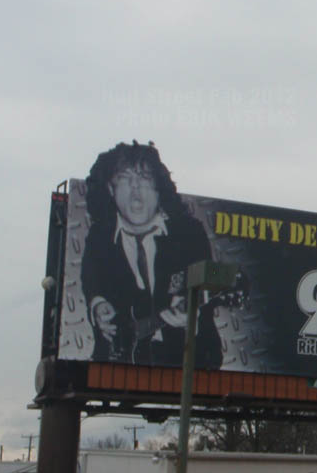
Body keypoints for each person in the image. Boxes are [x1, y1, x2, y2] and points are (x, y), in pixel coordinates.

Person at [81, 141, 223, 369]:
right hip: (119, 364)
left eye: (145, 179)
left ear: (159, 187)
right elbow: (92, 279)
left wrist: (193, 317)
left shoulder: (190, 232)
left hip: (190, 361)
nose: (136, 191)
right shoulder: (99, 236)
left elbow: (216, 278)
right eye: (125, 179)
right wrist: (98, 305)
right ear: (110, 188)